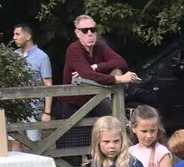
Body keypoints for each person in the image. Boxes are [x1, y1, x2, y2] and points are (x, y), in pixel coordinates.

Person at [57, 15, 137, 148]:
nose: (90, 33)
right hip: (71, 105)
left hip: (94, 101)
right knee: (72, 148)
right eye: (85, 30)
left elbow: (121, 62)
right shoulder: (74, 49)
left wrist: (96, 66)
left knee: (101, 141)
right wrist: (118, 79)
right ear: (77, 33)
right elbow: (88, 75)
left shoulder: (100, 46)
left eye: (93, 30)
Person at [12, 23, 53, 137]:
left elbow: (48, 84)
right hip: (15, 106)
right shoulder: (14, 55)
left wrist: (47, 112)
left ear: (28, 36)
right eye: (14, 34)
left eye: (17, 34)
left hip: (33, 109)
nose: (14, 37)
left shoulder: (42, 57)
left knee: (34, 143)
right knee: (15, 141)